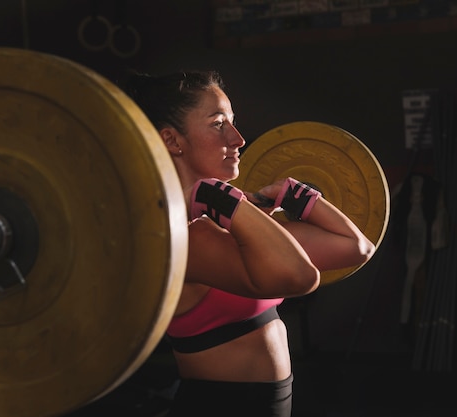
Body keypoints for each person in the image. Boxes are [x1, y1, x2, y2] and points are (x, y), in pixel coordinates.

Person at [123, 69, 375, 417]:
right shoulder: (182, 238)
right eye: (218, 123)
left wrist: (294, 195)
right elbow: (300, 277)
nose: (238, 138)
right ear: (172, 140)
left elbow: (356, 247)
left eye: (233, 121)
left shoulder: (227, 222)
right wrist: (226, 203)